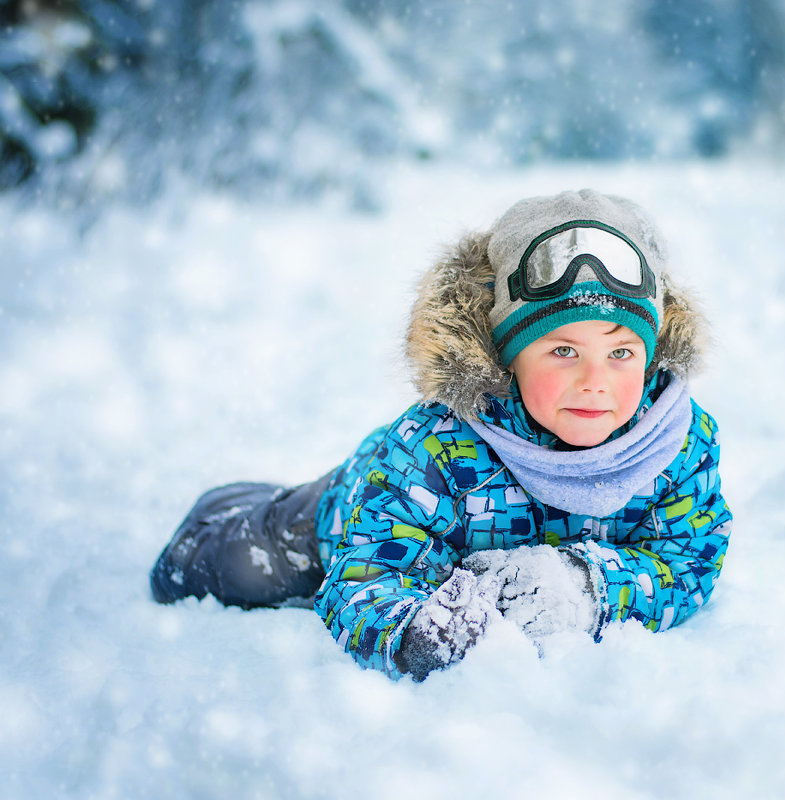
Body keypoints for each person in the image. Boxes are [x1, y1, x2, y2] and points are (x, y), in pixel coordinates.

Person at [150, 190, 733, 680]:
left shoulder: (675, 446)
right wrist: (415, 632)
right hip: (349, 512)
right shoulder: (434, 448)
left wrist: (587, 584)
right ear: (507, 357)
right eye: (563, 350)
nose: (595, 382)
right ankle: (229, 510)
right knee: (223, 568)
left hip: (421, 526)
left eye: (621, 352)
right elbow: (369, 572)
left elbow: (686, 559)